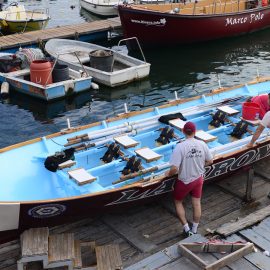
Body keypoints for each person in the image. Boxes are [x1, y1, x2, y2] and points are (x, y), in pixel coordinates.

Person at [165, 122, 213, 237]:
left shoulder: (180, 146)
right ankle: (195, 229)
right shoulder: (202, 144)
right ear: (195, 131)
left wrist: (167, 174)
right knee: (196, 202)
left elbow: (174, 168)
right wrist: (201, 166)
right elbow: (210, 161)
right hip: (198, 179)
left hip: (185, 181)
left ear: (182, 131)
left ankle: (187, 229)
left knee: (178, 201)